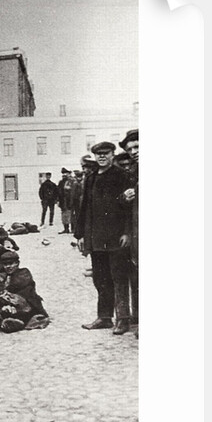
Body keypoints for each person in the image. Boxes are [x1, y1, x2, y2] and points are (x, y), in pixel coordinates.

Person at [74, 141, 133, 335]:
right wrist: (81, 235)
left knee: (119, 278)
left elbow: (128, 208)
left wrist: (126, 232)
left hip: (116, 237)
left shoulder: (121, 176)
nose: (102, 157)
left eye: (105, 154)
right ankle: (105, 317)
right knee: (100, 278)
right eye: (98, 154)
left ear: (112, 155)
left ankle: (123, 319)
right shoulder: (90, 178)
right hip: (96, 237)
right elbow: (84, 208)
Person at [0, 250, 49, 333]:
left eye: (11, 263)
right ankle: (3, 319)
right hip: (7, 304)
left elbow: (19, 287)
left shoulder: (24, 272)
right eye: (5, 264)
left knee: (23, 307)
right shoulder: (2, 275)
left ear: (17, 263)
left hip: (26, 303)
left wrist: (8, 299)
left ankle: (13, 322)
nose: (8, 266)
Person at [120, 129, 139, 332]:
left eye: (137, 147)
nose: (134, 151)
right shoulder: (132, 171)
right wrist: (125, 198)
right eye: (130, 149)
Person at [57, 168, 76, 234]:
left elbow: (73, 191)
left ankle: (73, 229)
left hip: (70, 200)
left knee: (72, 215)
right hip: (63, 201)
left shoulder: (72, 181)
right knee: (64, 215)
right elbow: (58, 192)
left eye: (66, 173)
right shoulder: (61, 182)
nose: (65, 174)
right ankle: (66, 229)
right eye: (63, 173)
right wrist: (58, 200)